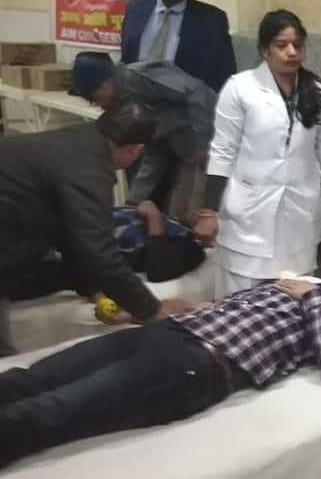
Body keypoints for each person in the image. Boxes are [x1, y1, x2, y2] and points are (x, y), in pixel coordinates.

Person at [0, 269, 321, 469]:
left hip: (199, 363)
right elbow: (224, 307)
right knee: (36, 377)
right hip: (167, 332)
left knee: (55, 406)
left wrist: (315, 298)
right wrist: (143, 314)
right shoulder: (293, 283)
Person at [0, 104, 194, 357]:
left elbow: (68, 232)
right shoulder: (89, 170)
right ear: (136, 150)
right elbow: (99, 252)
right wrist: (152, 310)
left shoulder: (78, 138)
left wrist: (92, 289)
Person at [194, 10, 321, 297]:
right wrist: (209, 210)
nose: (291, 52)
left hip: (299, 214)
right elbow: (222, 152)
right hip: (248, 214)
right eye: (281, 45)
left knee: (294, 295)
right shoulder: (240, 88)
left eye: (297, 45)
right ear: (265, 49)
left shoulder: (316, 91)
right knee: (240, 299)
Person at [71, 52, 216, 220]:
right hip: (188, 148)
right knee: (179, 213)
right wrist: (132, 203)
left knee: (199, 216)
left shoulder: (136, 77)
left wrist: (203, 143)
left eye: (96, 98)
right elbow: (154, 149)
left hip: (213, 138)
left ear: (105, 83)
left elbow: (197, 92)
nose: (99, 105)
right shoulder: (126, 102)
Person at [9, 200, 206, 302]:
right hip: (60, 231)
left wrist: (153, 217)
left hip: (72, 259)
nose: (202, 212)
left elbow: (159, 270)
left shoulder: (192, 248)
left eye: (210, 215)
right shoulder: (173, 222)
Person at [120, 0, 237, 93]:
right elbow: (126, 58)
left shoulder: (212, 19)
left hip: (185, 103)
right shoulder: (135, 9)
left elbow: (225, 72)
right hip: (135, 98)